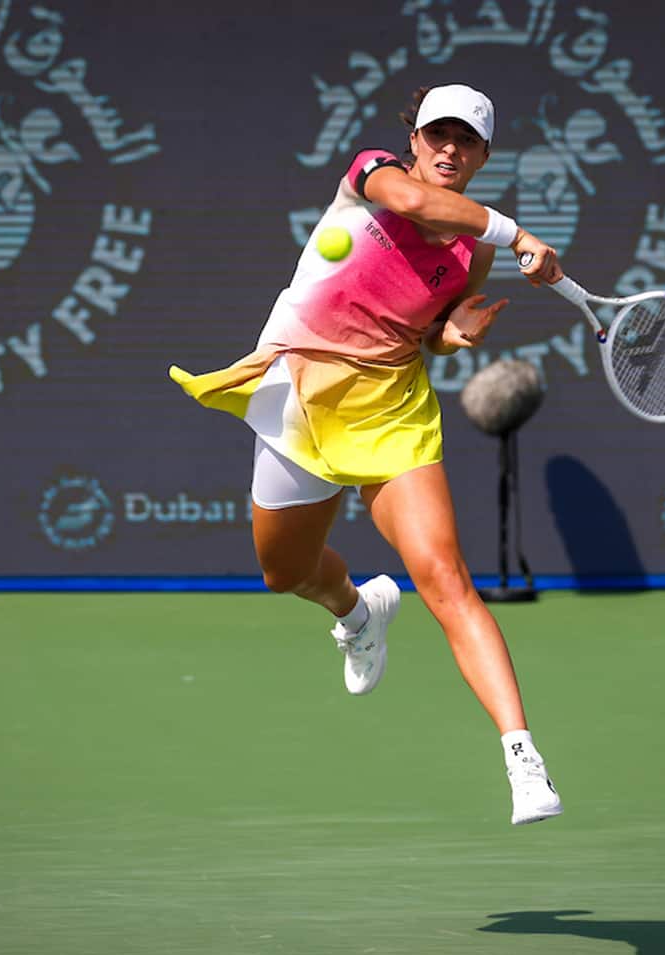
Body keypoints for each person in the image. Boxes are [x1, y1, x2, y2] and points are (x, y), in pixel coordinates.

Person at [170, 84, 564, 825]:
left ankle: (523, 758)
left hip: (391, 414)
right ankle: (358, 612)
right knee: (284, 572)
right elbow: (414, 204)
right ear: (413, 140)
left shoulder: (474, 251)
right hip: (300, 397)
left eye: (467, 141)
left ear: (484, 155)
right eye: (438, 134)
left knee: (446, 579)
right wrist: (517, 232)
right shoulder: (373, 174)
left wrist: (453, 335)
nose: (449, 149)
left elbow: (429, 331)